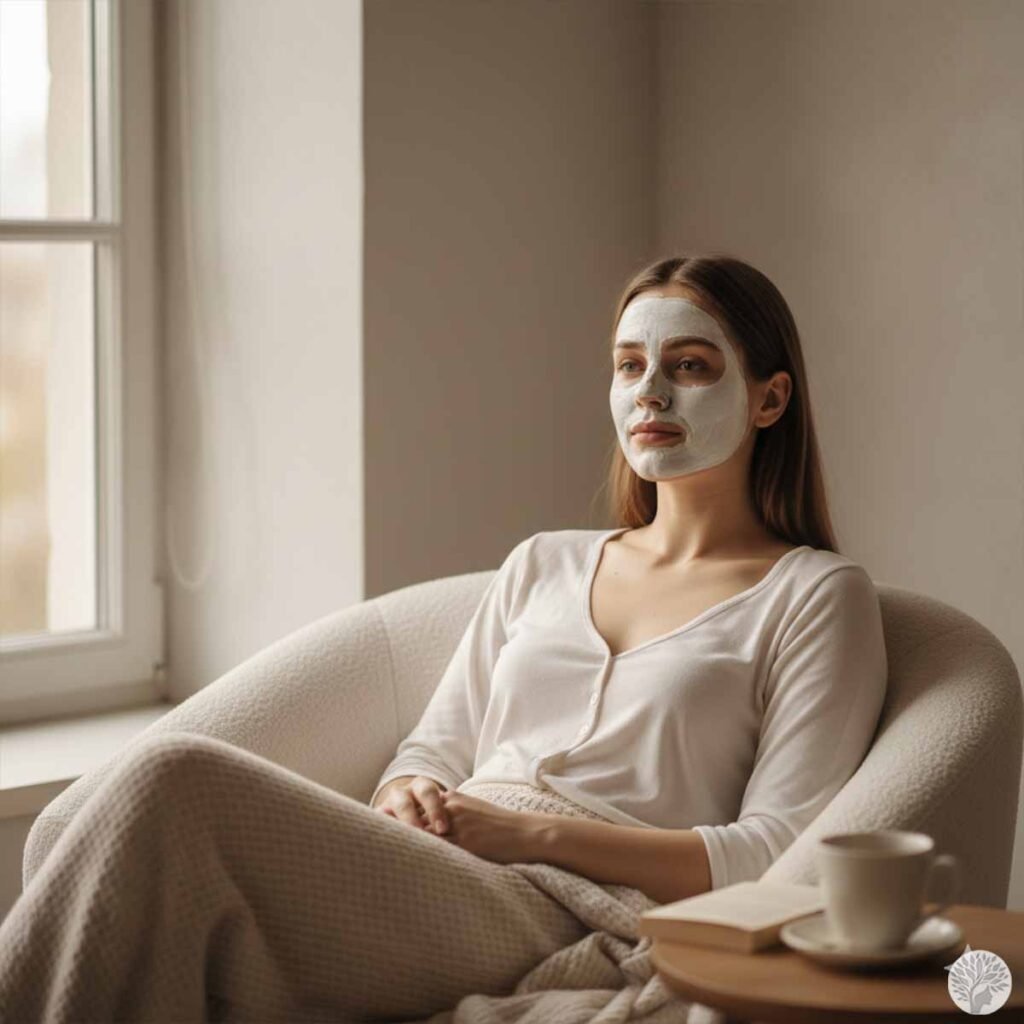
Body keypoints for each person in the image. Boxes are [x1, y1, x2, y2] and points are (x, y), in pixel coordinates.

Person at [0, 253, 887, 1023]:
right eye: (627, 366)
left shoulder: (813, 594)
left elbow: (778, 851)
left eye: (689, 366)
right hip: (443, 867)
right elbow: (434, 747)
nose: (649, 392)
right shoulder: (543, 562)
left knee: (172, 779)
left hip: (579, 907)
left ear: (770, 398)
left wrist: (532, 838)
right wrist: (411, 794)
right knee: (147, 845)